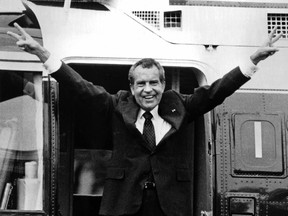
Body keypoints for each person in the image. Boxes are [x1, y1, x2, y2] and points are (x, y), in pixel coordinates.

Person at [7, 23, 282, 216]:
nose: (147, 89)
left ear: (163, 85)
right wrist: (43, 54)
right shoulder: (118, 104)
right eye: (140, 84)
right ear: (131, 86)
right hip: (125, 204)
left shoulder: (181, 106)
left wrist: (252, 61)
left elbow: (217, 92)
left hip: (170, 207)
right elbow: (81, 88)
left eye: (153, 83)